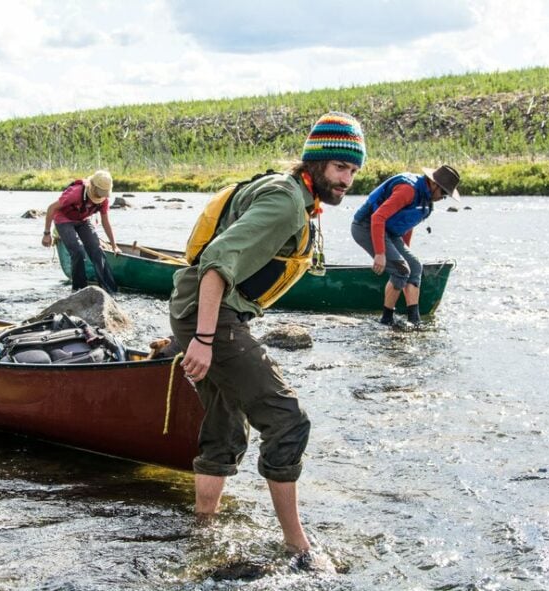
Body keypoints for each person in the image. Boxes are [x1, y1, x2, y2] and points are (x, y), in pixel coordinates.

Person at [169, 112, 365, 566]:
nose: (347, 179)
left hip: (204, 313)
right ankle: (298, 546)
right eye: (340, 168)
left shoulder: (294, 193)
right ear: (315, 163)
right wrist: (202, 338)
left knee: (226, 424)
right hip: (209, 317)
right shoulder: (286, 201)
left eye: (353, 171)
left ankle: (204, 527)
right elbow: (217, 261)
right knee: (287, 420)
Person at [350, 165, 461, 325]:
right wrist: (380, 254)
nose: (443, 197)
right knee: (401, 270)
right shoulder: (408, 190)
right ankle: (386, 319)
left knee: (414, 266)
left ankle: (414, 319)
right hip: (366, 226)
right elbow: (378, 217)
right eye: (443, 192)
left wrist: (403, 251)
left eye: (446, 195)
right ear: (434, 184)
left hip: (389, 231)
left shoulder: (426, 200)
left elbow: (407, 224)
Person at [42, 170, 120, 295]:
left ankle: (109, 290)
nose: (101, 197)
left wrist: (114, 246)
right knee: (78, 251)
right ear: (93, 188)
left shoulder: (103, 200)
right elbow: (51, 208)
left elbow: (106, 222)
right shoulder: (75, 193)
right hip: (64, 220)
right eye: (99, 193)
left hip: (82, 220)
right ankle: (79, 289)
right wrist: (47, 234)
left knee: (97, 250)